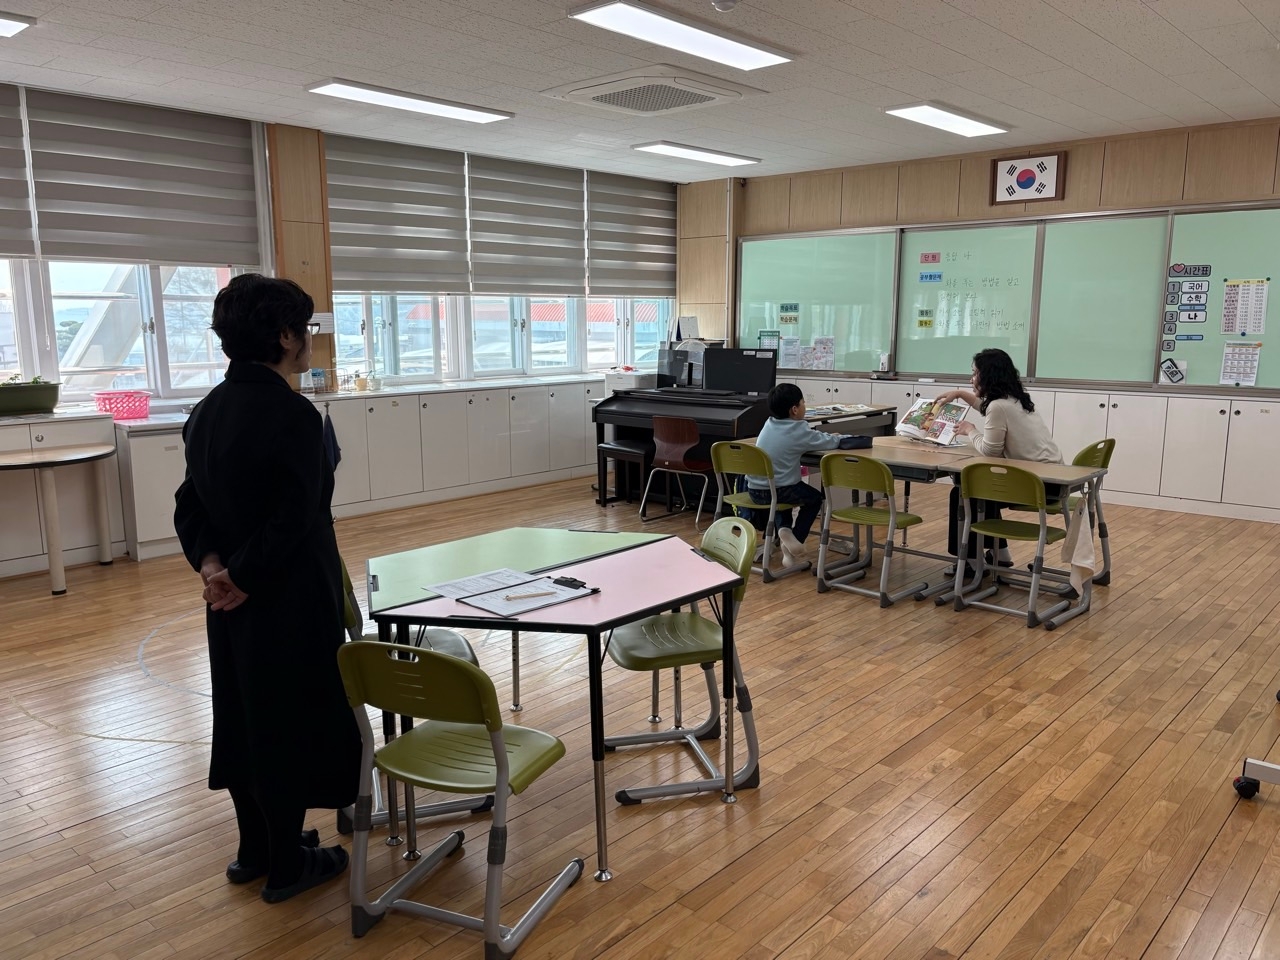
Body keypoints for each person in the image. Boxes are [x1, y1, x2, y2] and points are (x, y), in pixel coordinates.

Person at [174, 274, 360, 904]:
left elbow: (189, 503)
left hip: (227, 601)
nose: (308, 340)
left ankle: (255, 848)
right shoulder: (294, 415)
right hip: (286, 597)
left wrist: (213, 568)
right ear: (284, 336)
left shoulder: (206, 411)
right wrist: (245, 577)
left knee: (243, 715)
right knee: (289, 720)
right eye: (304, 329)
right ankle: (287, 866)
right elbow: (295, 517)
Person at [934, 348, 1063, 568]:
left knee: (965, 492)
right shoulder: (1015, 400)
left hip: (1038, 485)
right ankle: (1000, 555)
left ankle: (970, 563)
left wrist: (970, 430)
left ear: (989, 375)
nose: (972, 378)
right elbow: (986, 409)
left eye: (975, 373)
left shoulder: (998, 406)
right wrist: (959, 394)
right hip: (1054, 480)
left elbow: (990, 451)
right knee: (986, 486)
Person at [746, 383, 844, 565]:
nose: (805, 406)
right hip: (779, 490)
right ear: (795, 409)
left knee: (780, 497)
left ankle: (784, 529)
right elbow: (830, 443)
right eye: (803, 403)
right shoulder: (798, 429)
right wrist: (837, 437)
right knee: (814, 498)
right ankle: (796, 540)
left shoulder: (768, 424)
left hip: (754, 490)